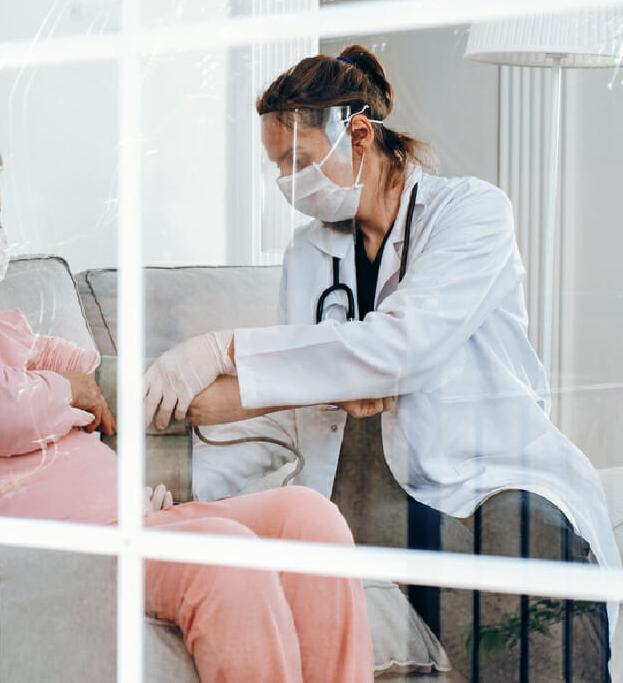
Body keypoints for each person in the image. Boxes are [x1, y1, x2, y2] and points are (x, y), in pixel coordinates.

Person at [0, 129, 374, 683]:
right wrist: (61, 391)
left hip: (127, 524)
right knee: (224, 553)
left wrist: (60, 385)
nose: (0, 237)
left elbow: (80, 366)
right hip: (43, 554)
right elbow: (8, 413)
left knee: (309, 517)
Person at [144, 45, 617, 681]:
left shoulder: (471, 213)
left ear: (358, 135)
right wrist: (184, 492)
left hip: (488, 470)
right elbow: (301, 396)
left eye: (299, 161)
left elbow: (404, 345)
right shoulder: (309, 253)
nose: (288, 183)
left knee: (529, 548)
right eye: (278, 168)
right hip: (364, 487)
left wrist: (222, 347)